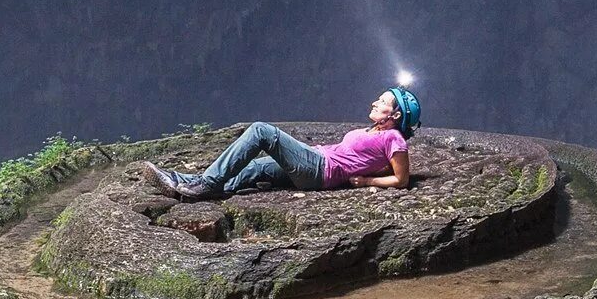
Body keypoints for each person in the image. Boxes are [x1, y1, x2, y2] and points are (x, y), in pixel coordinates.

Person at [147, 88, 421, 200]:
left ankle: (205, 184)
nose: (375, 102)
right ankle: (182, 185)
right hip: (316, 160)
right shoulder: (375, 130)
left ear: (396, 115)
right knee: (255, 169)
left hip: (320, 169)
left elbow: (402, 179)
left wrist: (367, 182)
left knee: (262, 131)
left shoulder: (394, 139)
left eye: (383, 102)